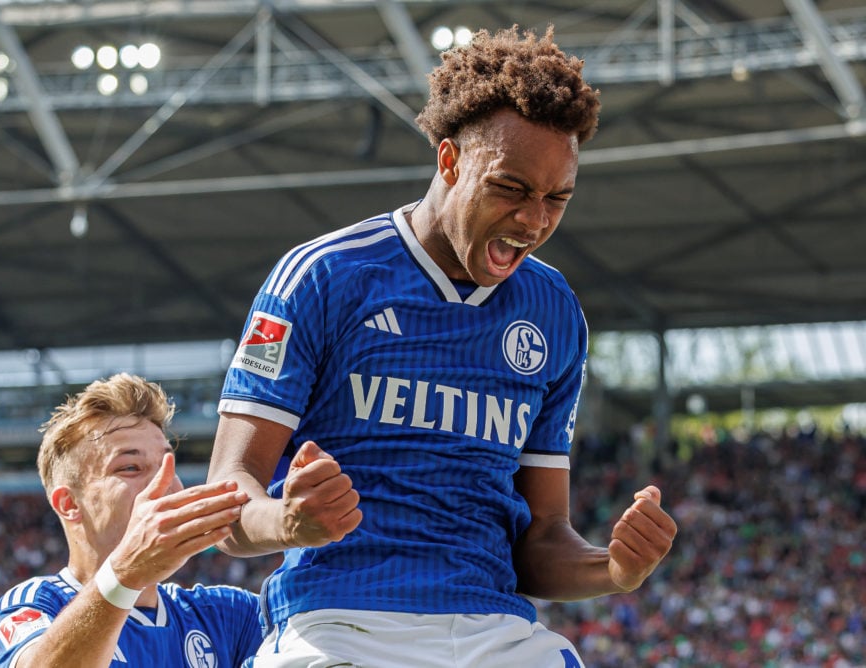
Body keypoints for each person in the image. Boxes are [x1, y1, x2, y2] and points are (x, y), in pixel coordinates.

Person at [207, 25, 678, 667]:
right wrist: (287, 520)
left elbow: (541, 540)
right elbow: (228, 501)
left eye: (557, 198)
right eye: (511, 188)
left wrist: (614, 569)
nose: (535, 220)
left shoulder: (554, 310)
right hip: (342, 624)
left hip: (497, 633)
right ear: (450, 161)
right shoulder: (323, 277)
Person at [0, 373, 264, 668]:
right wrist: (126, 573)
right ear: (69, 504)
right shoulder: (30, 606)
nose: (164, 482)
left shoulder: (228, 615)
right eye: (130, 467)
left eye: (169, 464)